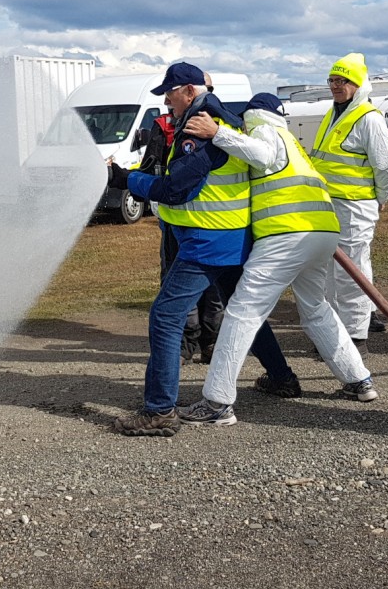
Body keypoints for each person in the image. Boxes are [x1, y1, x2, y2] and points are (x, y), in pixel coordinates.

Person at [106, 62, 299, 437]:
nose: (166, 101)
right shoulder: (221, 120)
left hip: (207, 241)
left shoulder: (201, 126)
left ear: (189, 91)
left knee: (165, 317)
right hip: (231, 238)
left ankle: (159, 410)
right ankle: (282, 378)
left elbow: (175, 189)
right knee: (243, 312)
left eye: (170, 93)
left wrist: (127, 179)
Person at [176, 93, 378, 427]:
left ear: (254, 113)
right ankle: (359, 380)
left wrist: (218, 133)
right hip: (322, 232)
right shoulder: (291, 140)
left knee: (242, 311)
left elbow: (262, 155)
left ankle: (217, 402)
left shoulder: (263, 130)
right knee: (316, 309)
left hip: (286, 235)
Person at [309, 53, 388, 347]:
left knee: (351, 273)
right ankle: (340, 331)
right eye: (332, 80)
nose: (336, 86)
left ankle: (355, 336)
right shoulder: (334, 114)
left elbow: (386, 167)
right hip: (330, 206)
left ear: (358, 84)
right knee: (331, 271)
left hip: (355, 207)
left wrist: (381, 197)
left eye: (343, 80)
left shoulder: (367, 118)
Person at [138, 92, 224, 364]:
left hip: (211, 224)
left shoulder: (220, 127)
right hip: (176, 221)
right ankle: (185, 345)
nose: (167, 102)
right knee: (176, 281)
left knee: (214, 289)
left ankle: (212, 343)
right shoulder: (164, 126)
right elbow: (151, 166)